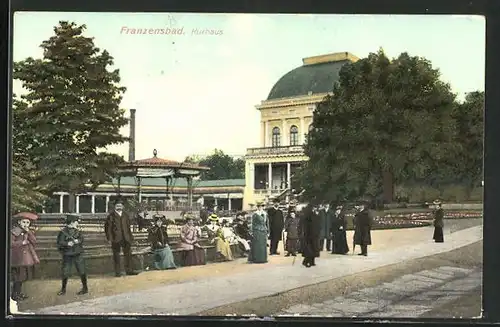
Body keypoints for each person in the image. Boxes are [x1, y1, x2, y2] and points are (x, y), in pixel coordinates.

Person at [104, 200, 139, 277]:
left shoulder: (125, 215)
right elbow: (108, 229)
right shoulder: (111, 216)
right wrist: (109, 239)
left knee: (128, 255)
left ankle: (129, 270)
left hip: (126, 238)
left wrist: (131, 238)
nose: (119, 207)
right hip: (116, 239)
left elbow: (128, 228)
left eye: (120, 205)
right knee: (116, 256)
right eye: (117, 206)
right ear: (115, 207)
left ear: (123, 207)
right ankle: (118, 272)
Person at [10, 212, 40, 301]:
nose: (25, 224)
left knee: (22, 277)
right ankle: (15, 295)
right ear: (19, 222)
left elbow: (34, 241)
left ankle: (18, 293)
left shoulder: (27, 231)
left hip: (25, 258)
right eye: (24, 222)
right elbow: (10, 243)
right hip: (16, 257)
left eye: (27, 222)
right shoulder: (14, 231)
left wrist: (29, 233)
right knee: (17, 277)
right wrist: (21, 243)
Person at [56, 214, 88, 295]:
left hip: (78, 253)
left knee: (82, 271)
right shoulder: (63, 232)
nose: (77, 223)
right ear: (72, 222)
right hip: (68, 254)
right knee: (65, 272)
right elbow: (60, 242)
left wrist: (78, 241)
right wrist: (67, 243)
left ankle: (85, 288)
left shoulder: (78, 231)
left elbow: (82, 239)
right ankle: (63, 290)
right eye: (76, 222)